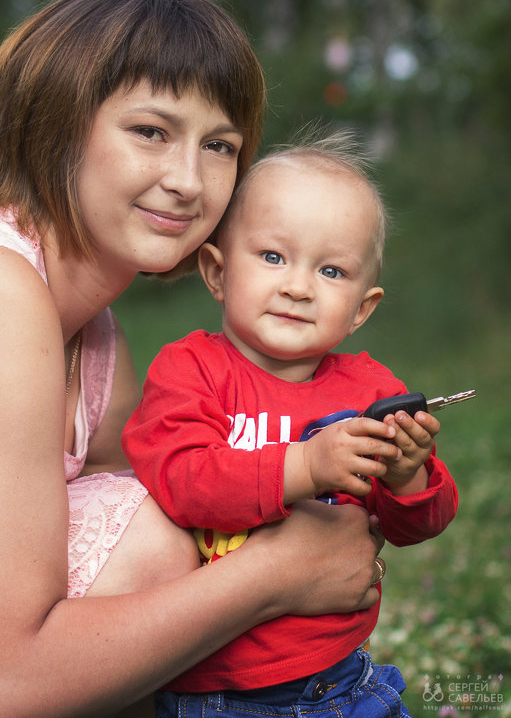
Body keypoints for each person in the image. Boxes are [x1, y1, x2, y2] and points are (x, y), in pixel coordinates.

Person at [0, 0, 390, 718]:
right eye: (150, 131)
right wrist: (273, 574)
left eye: (220, 145)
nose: (187, 181)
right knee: (159, 542)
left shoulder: (97, 341)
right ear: (57, 121)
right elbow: (1, 685)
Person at [123, 134, 459, 718]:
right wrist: (304, 465)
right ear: (217, 272)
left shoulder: (372, 390)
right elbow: (180, 480)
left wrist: (408, 476)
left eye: (331, 271)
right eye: (274, 257)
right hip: (222, 691)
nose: (298, 287)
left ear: (361, 308)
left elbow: (418, 525)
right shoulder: (191, 370)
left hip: (344, 678)